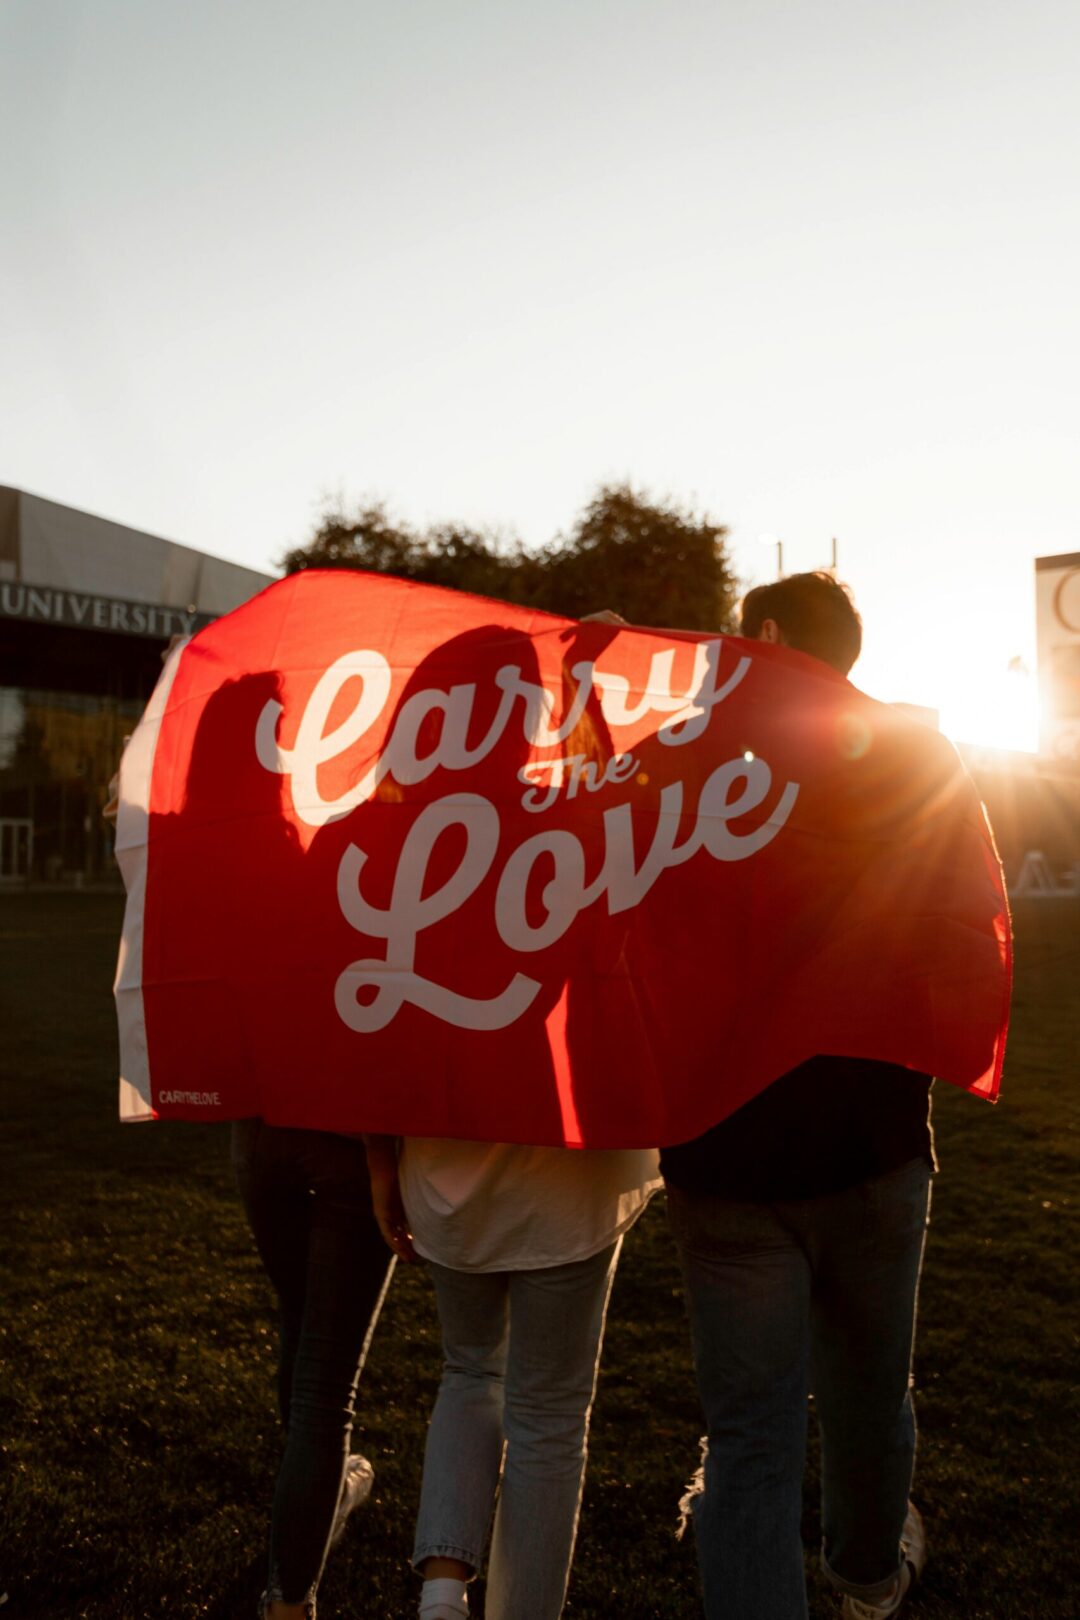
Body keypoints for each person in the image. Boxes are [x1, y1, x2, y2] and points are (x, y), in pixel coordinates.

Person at [662, 572, 933, 1620]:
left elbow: (587, 815)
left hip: (727, 1149)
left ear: (767, 635)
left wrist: (594, 682)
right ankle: (865, 1580)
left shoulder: (689, 760)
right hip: (873, 1136)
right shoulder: (911, 751)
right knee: (870, 1391)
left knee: (751, 1438)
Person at [365, 1132, 660, 1620]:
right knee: (549, 1415)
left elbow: (385, 1064)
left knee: (469, 1371)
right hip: (573, 1182)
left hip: (448, 1178)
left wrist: (380, 1163)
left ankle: (442, 1592)